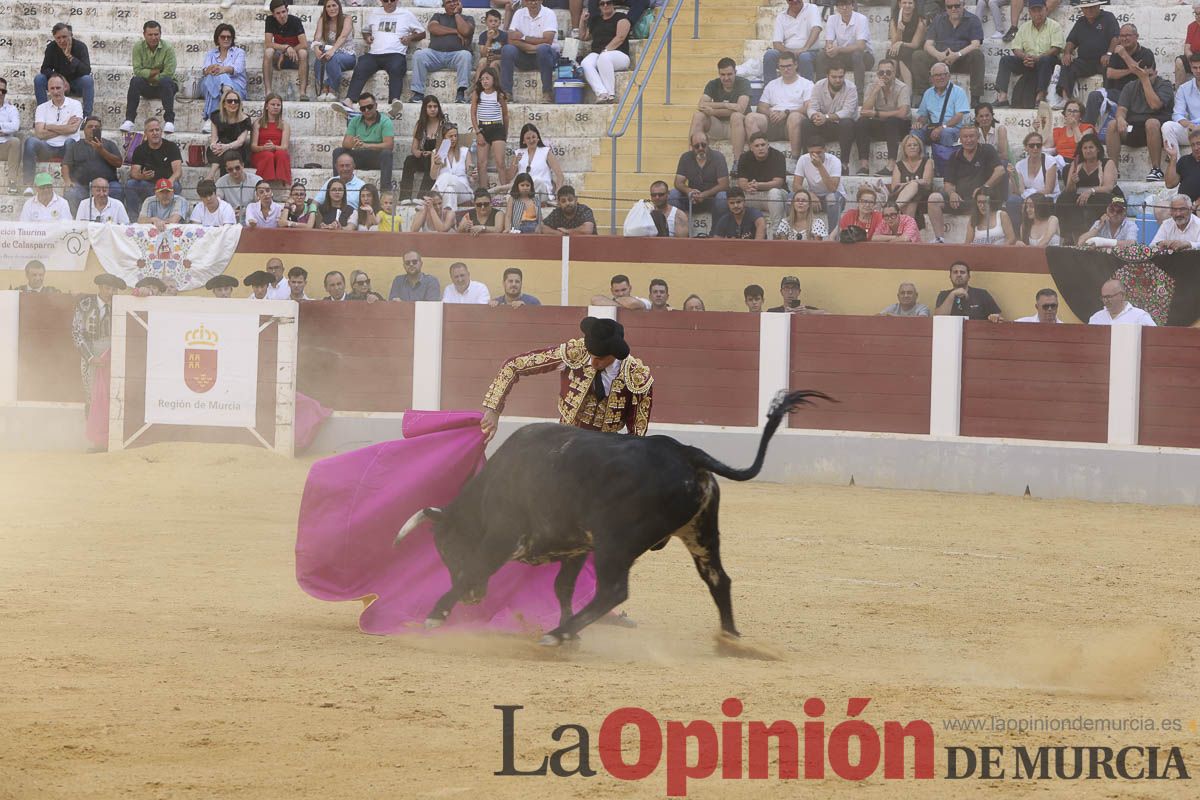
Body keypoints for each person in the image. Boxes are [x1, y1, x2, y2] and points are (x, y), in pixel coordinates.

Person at [479, 316, 654, 443]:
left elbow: (637, 437)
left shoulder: (637, 377)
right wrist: (494, 410)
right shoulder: (574, 353)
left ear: (615, 355)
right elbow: (514, 365)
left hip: (608, 447)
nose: (593, 362)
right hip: (566, 438)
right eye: (591, 356)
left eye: (600, 359)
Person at [335, 0, 422, 117]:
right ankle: (349, 101)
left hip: (395, 53)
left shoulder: (406, 14)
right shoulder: (374, 13)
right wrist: (367, 37)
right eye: (386, 0)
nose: (389, 3)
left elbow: (422, 33)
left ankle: (394, 101)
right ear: (381, 1)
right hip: (374, 54)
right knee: (361, 65)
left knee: (397, 66)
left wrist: (410, 37)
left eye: (392, 0)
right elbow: (365, 30)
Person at [928, 123, 1005, 241]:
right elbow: (948, 183)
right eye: (965, 137)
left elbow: (1000, 171)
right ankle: (939, 238)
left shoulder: (987, 150)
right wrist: (952, 194)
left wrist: (983, 188)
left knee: (985, 200)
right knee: (934, 198)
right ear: (960, 138)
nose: (968, 140)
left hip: (982, 201)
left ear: (978, 137)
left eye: (972, 136)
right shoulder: (954, 156)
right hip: (960, 201)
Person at [1105, 60, 1173, 180]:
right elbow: (1121, 109)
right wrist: (1120, 119)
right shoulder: (1130, 86)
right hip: (1134, 128)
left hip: (1156, 131)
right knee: (1112, 125)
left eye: (1149, 75)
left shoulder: (1165, 85)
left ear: (1156, 72)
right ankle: (1113, 170)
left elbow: (1154, 105)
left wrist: (1145, 80)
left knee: (1151, 123)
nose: (1145, 78)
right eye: (1141, 75)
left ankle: (1156, 169)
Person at [71, 273, 125, 418]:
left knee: (115, 395)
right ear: (100, 287)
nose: (111, 293)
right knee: (92, 396)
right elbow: (77, 333)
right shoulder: (85, 304)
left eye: (114, 290)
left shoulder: (122, 305)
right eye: (108, 288)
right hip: (91, 352)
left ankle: (110, 434)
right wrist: (90, 357)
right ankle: (92, 434)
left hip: (114, 355)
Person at [912, 0, 984, 106]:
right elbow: (928, 45)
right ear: (945, 7)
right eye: (949, 7)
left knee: (977, 55)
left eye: (956, 6)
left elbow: (976, 44)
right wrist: (938, 55)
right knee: (918, 55)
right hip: (940, 59)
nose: (953, 9)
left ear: (963, 5)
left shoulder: (973, 20)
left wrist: (957, 54)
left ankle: (975, 98)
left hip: (961, 60)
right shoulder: (938, 19)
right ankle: (923, 95)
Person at [993, 0, 1062, 109]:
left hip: (1047, 62)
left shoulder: (1054, 26)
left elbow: (1056, 48)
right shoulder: (1024, 27)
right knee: (1005, 60)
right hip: (1028, 60)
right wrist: (1025, 57)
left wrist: (1038, 58)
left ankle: (1040, 97)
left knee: (1046, 59)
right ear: (1029, 12)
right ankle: (1002, 97)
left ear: (1046, 10)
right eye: (1034, 11)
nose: (1037, 14)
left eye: (1040, 10)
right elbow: (1016, 48)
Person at [1084, 24, 1154, 129]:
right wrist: (1132, 70)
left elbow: (1144, 74)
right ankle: (1087, 132)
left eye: (1128, 35)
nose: (1124, 39)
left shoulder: (1146, 53)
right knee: (1094, 96)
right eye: (1121, 36)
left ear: (1137, 36)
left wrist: (1124, 55)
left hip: (1138, 95)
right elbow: (1110, 73)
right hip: (1118, 93)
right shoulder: (1115, 53)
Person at [745, 50, 812, 160]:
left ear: (796, 65)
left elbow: (808, 107)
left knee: (794, 118)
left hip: (793, 122)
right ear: (778, 67)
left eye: (789, 66)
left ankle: (795, 160)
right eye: (782, 66)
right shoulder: (772, 84)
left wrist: (786, 113)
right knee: (750, 117)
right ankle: (755, 158)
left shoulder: (806, 84)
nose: (786, 69)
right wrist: (770, 113)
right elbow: (761, 106)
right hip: (772, 121)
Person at [1053, 0, 1118, 110]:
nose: (1089, 10)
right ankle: (1065, 99)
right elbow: (1071, 41)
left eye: (1092, 7)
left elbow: (1115, 37)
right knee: (1067, 63)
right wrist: (1067, 53)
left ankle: (1109, 100)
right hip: (1085, 61)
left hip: (1103, 59)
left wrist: (1109, 53)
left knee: (1111, 67)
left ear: (1098, 6)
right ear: (1082, 9)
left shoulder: (1108, 17)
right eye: (1086, 8)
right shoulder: (1081, 21)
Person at [1054, 132, 1118, 243]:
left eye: (1091, 147)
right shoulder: (1076, 163)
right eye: (1085, 148)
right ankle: (1070, 237)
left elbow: (1108, 187)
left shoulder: (1107, 163)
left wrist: (1091, 191)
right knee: (1064, 199)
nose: (1088, 151)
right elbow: (1069, 190)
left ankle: (1091, 237)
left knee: (1094, 202)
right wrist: (1072, 182)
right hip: (1078, 196)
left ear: (1098, 149)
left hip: (1100, 194)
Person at [23, 73, 82, 191]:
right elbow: (39, 134)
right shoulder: (42, 108)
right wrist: (65, 127)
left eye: (58, 88)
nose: (55, 92)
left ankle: (70, 183)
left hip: (67, 147)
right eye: (52, 88)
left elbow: (73, 129)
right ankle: (28, 185)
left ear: (65, 87)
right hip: (47, 147)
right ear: (48, 90)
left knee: (71, 141)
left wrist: (49, 126)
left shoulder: (75, 104)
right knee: (30, 141)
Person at [854, 58, 912, 177]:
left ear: (894, 73)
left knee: (892, 121)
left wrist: (877, 114)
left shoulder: (902, 87)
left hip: (900, 126)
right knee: (862, 122)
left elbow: (902, 113)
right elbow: (864, 111)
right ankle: (864, 165)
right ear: (877, 74)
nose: (884, 75)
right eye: (881, 73)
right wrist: (875, 91)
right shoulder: (872, 86)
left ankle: (891, 165)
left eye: (888, 72)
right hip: (881, 125)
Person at [411, 0, 475, 105]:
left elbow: (466, 31)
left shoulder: (468, 18)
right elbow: (433, 28)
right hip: (434, 55)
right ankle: (418, 93)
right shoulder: (438, 16)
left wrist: (457, 14)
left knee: (466, 55)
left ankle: (460, 93)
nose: (452, 4)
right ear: (444, 5)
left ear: (459, 3)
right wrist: (455, 31)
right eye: (449, 2)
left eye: (454, 1)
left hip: (456, 56)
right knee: (419, 54)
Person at [802, 59, 859, 172]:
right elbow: (812, 107)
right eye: (834, 77)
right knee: (806, 123)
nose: (838, 80)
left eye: (841, 76)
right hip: (824, 126)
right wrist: (815, 116)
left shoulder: (851, 87)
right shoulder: (819, 85)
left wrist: (826, 117)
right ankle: (807, 161)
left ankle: (844, 164)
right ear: (827, 75)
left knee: (846, 123)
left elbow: (848, 111)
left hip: (844, 128)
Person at [123, 21, 177, 135]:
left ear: (160, 34)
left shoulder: (168, 48)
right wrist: (156, 71)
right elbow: (137, 71)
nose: (154, 37)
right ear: (144, 35)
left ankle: (169, 121)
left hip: (165, 87)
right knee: (135, 81)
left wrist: (149, 75)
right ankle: (129, 120)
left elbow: (168, 73)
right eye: (150, 34)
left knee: (166, 81)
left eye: (156, 34)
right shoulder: (138, 47)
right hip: (148, 86)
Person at [334, 92, 395, 191]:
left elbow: (389, 145)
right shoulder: (355, 120)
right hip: (358, 155)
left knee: (387, 154)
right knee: (338, 152)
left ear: (376, 106)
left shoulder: (385, 121)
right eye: (363, 108)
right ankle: (337, 186)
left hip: (375, 157)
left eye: (369, 107)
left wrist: (366, 145)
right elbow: (345, 143)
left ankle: (385, 191)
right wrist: (354, 143)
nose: (366, 110)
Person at [692, 57, 751, 158]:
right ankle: (691, 157)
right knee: (698, 116)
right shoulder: (713, 84)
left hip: (738, 127)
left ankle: (738, 162)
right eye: (722, 74)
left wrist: (713, 112)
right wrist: (726, 105)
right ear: (719, 73)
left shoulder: (743, 83)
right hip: (718, 126)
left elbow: (740, 109)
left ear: (735, 72)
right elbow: (701, 105)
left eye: (729, 74)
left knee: (736, 116)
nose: (726, 78)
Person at [500, 0, 558, 104]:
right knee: (507, 49)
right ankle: (506, 92)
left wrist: (523, 37)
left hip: (546, 56)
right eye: (529, 0)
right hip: (525, 56)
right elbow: (511, 39)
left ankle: (547, 92)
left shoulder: (549, 13)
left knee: (543, 49)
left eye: (536, 0)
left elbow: (548, 40)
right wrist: (532, 47)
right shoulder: (519, 13)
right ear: (525, 1)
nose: (533, 3)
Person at [61, 116, 123, 212]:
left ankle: (113, 222)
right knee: (71, 192)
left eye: (96, 127)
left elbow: (118, 163)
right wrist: (67, 181)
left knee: (117, 189)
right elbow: (65, 165)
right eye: (90, 127)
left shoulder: (110, 144)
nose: (93, 129)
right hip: (83, 186)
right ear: (84, 130)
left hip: (107, 185)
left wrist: (101, 150)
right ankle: (75, 221)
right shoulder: (75, 146)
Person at [124, 118, 182, 219]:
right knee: (130, 184)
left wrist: (169, 182)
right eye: (151, 130)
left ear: (161, 131)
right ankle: (133, 219)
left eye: (157, 130)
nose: (155, 133)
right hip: (148, 185)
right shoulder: (140, 149)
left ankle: (172, 218)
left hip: (166, 185)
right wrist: (142, 176)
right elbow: (133, 173)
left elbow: (178, 171)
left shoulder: (171, 147)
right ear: (145, 133)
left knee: (175, 185)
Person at [670, 132, 730, 222]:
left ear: (708, 143)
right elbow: (678, 183)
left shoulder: (718, 157)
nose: (700, 148)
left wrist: (704, 195)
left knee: (722, 196)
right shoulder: (685, 157)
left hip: (712, 198)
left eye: (703, 145)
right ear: (692, 146)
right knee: (673, 194)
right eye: (697, 146)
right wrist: (689, 191)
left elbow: (724, 185)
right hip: (692, 198)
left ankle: (717, 232)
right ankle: (680, 228)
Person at [36, 23, 93, 117]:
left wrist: (69, 56)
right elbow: (45, 69)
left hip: (75, 84)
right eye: (58, 38)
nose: (62, 41)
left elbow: (86, 70)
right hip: (57, 85)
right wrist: (60, 79)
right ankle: (42, 114)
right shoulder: (51, 47)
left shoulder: (81, 47)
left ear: (71, 35)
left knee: (88, 80)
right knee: (39, 79)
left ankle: (86, 117)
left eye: (64, 37)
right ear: (54, 38)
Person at [579, 0, 630, 105]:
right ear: (599, 7)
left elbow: (620, 37)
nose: (605, 5)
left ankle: (611, 94)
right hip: (598, 53)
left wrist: (605, 50)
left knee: (604, 57)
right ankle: (602, 93)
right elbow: (583, 37)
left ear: (613, 4)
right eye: (602, 3)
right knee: (585, 63)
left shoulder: (621, 17)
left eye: (608, 2)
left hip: (619, 54)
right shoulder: (596, 20)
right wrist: (582, 21)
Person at [820, 0, 873, 96]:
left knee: (856, 55)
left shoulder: (861, 19)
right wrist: (829, 49)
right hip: (844, 58)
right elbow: (828, 42)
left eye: (847, 4)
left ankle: (859, 94)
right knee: (821, 55)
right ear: (837, 7)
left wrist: (838, 49)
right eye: (841, 5)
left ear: (852, 5)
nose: (844, 8)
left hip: (864, 58)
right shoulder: (832, 19)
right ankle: (821, 91)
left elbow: (861, 46)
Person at [402, 95, 449, 202]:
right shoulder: (420, 124)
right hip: (423, 157)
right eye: (429, 107)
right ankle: (404, 197)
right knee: (409, 160)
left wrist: (432, 154)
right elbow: (414, 148)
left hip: (438, 159)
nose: (433, 109)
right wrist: (419, 153)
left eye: (435, 106)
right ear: (425, 108)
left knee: (430, 160)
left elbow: (446, 147)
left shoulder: (444, 124)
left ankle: (422, 196)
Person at [736, 133, 788, 228]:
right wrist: (747, 186)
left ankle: (777, 231)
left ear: (768, 145)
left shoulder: (778, 156)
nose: (760, 148)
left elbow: (778, 183)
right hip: (753, 194)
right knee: (733, 197)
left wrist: (758, 185)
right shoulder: (744, 157)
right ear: (751, 148)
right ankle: (738, 230)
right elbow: (741, 182)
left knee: (774, 193)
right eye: (757, 146)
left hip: (775, 195)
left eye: (763, 145)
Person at [764, 0, 823, 83]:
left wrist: (804, 48)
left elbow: (816, 29)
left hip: (809, 51)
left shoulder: (811, 8)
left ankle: (808, 91)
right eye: (791, 0)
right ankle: (769, 90)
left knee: (804, 57)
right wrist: (791, 52)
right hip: (788, 52)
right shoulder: (781, 16)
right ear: (787, 1)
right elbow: (777, 44)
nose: (795, 1)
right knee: (770, 54)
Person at [912, 62, 969, 149]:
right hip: (932, 128)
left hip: (952, 128)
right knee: (915, 133)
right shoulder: (928, 93)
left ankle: (945, 161)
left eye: (944, 74)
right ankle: (921, 161)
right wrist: (919, 123)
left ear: (949, 76)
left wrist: (942, 127)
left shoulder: (958, 92)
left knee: (945, 133)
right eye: (937, 75)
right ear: (931, 78)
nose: (941, 77)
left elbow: (959, 116)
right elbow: (924, 115)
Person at [792, 140, 845, 233]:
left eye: (818, 152)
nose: (815, 155)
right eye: (812, 153)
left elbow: (832, 188)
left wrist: (820, 166)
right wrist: (809, 194)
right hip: (813, 198)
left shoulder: (834, 161)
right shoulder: (803, 159)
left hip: (835, 197)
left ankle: (833, 236)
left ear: (825, 150)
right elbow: (796, 185)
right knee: (790, 198)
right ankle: (794, 233)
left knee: (832, 198)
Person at [201, 25, 248, 130]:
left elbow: (237, 69)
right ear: (217, 38)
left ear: (232, 38)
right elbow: (205, 71)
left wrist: (222, 69)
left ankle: (210, 119)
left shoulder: (239, 52)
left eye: (229, 37)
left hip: (237, 88)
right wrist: (211, 69)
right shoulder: (211, 53)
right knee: (212, 78)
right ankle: (227, 92)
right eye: (223, 37)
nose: (226, 39)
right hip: (216, 85)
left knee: (217, 79)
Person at [263, 0, 310, 102]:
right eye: (278, 13)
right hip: (279, 56)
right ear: (273, 14)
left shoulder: (295, 21)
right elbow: (268, 43)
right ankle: (268, 92)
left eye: (284, 12)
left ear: (287, 10)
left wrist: (287, 52)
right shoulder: (270, 20)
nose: (282, 15)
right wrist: (286, 48)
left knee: (303, 52)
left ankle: (302, 93)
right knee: (268, 52)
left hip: (294, 57)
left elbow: (304, 44)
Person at [1007, 130, 1058, 223]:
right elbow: (1019, 191)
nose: (1035, 148)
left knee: (1033, 204)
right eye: (1031, 145)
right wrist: (1011, 177)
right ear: (1026, 148)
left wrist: (1029, 199)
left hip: (1046, 198)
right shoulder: (1020, 165)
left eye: (1038, 145)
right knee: (1012, 201)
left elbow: (1048, 190)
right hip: (1027, 198)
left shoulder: (1050, 161)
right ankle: (1017, 233)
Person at [312, 0, 357, 103]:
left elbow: (343, 36)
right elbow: (317, 37)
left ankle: (332, 90)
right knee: (320, 58)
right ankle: (323, 89)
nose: (332, 9)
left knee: (333, 58)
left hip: (347, 55)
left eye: (334, 5)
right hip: (331, 53)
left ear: (339, 6)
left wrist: (333, 50)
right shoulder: (323, 19)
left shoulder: (347, 18)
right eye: (328, 6)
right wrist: (316, 49)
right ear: (325, 8)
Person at [889, 133, 934, 235]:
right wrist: (913, 184)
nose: (912, 147)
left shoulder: (927, 162)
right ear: (904, 149)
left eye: (915, 145)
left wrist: (909, 183)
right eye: (909, 145)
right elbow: (895, 188)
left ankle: (894, 209)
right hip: (904, 198)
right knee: (911, 197)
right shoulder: (899, 165)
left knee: (914, 187)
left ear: (920, 148)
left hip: (923, 199)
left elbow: (927, 183)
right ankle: (908, 231)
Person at [471, 68, 508, 188]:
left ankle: (504, 191)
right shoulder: (477, 94)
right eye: (482, 79)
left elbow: (505, 115)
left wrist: (504, 132)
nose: (485, 81)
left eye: (487, 78)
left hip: (497, 127)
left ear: (494, 79)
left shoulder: (499, 95)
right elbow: (473, 114)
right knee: (481, 163)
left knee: (500, 162)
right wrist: (478, 132)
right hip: (483, 128)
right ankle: (483, 190)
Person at [207, 88, 253, 180]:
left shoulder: (245, 119)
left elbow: (240, 141)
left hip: (237, 150)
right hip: (219, 148)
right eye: (229, 101)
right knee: (220, 148)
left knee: (228, 154)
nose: (233, 103)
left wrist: (226, 147)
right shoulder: (216, 116)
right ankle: (214, 177)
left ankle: (210, 176)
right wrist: (214, 146)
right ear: (224, 104)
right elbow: (214, 139)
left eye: (236, 101)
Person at [1162, 55, 1200, 166]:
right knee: (1167, 126)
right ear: (1191, 68)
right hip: (1192, 129)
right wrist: (1190, 125)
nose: (1198, 71)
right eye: (1195, 68)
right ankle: (1177, 167)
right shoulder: (1184, 88)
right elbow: (1177, 114)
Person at [510, 123, 564, 201]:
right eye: (528, 138)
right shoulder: (519, 153)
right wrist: (515, 163)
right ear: (524, 141)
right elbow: (509, 177)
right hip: (523, 190)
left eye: (533, 137)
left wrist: (557, 194)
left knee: (538, 182)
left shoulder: (546, 152)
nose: (531, 140)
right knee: (517, 187)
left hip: (541, 191)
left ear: (538, 137)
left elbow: (560, 176)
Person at [934, 260, 1001, 320]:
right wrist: (952, 294)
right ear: (950, 276)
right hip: (950, 333)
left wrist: (995, 317)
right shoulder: (943, 295)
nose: (959, 275)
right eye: (955, 272)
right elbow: (938, 319)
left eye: (962, 272)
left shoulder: (982, 294)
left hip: (977, 332)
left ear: (969, 276)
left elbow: (997, 316)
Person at [251, 93, 292, 185]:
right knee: (268, 155)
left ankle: (285, 186)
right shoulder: (258, 123)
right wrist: (263, 148)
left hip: (277, 153)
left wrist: (274, 147)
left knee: (281, 154)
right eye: (273, 104)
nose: (276, 107)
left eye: (278, 105)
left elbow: (284, 147)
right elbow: (253, 146)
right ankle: (263, 185)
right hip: (261, 154)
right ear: (266, 106)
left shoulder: (285, 125)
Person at [430, 124, 474, 209]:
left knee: (446, 176)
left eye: (455, 136)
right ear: (443, 138)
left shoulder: (465, 151)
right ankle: (450, 219)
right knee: (449, 190)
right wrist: (436, 164)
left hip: (464, 191)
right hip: (446, 190)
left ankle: (431, 197)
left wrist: (473, 176)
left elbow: (471, 177)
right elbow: (433, 177)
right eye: (450, 136)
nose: (454, 139)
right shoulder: (436, 153)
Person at [887, 0, 926, 88]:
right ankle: (891, 86)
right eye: (904, 3)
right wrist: (899, 31)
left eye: (910, 3)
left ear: (914, 5)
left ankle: (908, 89)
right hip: (900, 49)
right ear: (900, 4)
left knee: (902, 52)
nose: (907, 5)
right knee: (891, 53)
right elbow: (894, 43)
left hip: (914, 50)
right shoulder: (894, 19)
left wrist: (901, 43)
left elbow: (915, 44)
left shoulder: (920, 21)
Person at [1088, 279, 1155, 326]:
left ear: (1122, 295)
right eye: (1104, 297)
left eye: (1109, 297)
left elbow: (1155, 341)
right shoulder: (1096, 318)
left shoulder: (1140, 317)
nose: (1106, 300)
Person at [215, 152, 259, 222]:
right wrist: (230, 211)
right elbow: (217, 202)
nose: (234, 171)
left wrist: (246, 211)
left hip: (252, 218)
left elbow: (261, 203)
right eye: (230, 169)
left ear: (243, 165)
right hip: (229, 218)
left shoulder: (256, 181)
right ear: (226, 170)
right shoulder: (221, 182)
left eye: (237, 168)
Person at [1164, 128, 1200, 209]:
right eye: (1193, 145)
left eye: (1198, 143)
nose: (1195, 148)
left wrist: (1196, 203)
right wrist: (1173, 158)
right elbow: (1170, 184)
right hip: (1183, 206)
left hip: (1197, 206)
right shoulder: (1184, 160)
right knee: (1161, 208)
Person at [475, 9, 508, 87]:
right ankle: (477, 87)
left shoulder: (504, 36)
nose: (493, 23)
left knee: (494, 64)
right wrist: (489, 39)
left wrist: (496, 57)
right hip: (487, 58)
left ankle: (496, 88)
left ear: (500, 22)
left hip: (499, 60)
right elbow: (483, 54)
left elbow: (507, 55)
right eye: (490, 21)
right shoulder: (483, 36)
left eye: (496, 21)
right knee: (482, 62)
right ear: (486, 22)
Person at [0, 77, 21, 195]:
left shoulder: (11, 109)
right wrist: (5, 128)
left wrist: (1, 128)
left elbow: (15, 126)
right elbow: (10, 126)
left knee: (15, 141)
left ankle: (12, 181)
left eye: (3, 91)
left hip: (4, 146)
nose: (0, 93)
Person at [1177, 5, 1200, 87]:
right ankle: (1179, 93)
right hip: (1194, 56)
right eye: (1196, 14)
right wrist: (1191, 58)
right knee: (1179, 62)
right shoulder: (1191, 26)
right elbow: (1187, 47)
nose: (1197, 17)